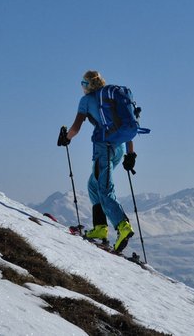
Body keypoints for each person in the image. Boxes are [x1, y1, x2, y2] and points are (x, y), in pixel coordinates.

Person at [58, 70, 137, 253]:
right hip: (120, 147)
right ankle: (100, 227)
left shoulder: (86, 101)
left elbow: (76, 127)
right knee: (93, 185)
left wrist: (66, 138)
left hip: (103, 148)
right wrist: (131, 155)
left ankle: (123, 226)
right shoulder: (111, 101)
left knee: (104, 188)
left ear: (86, 85)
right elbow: (126, 129)